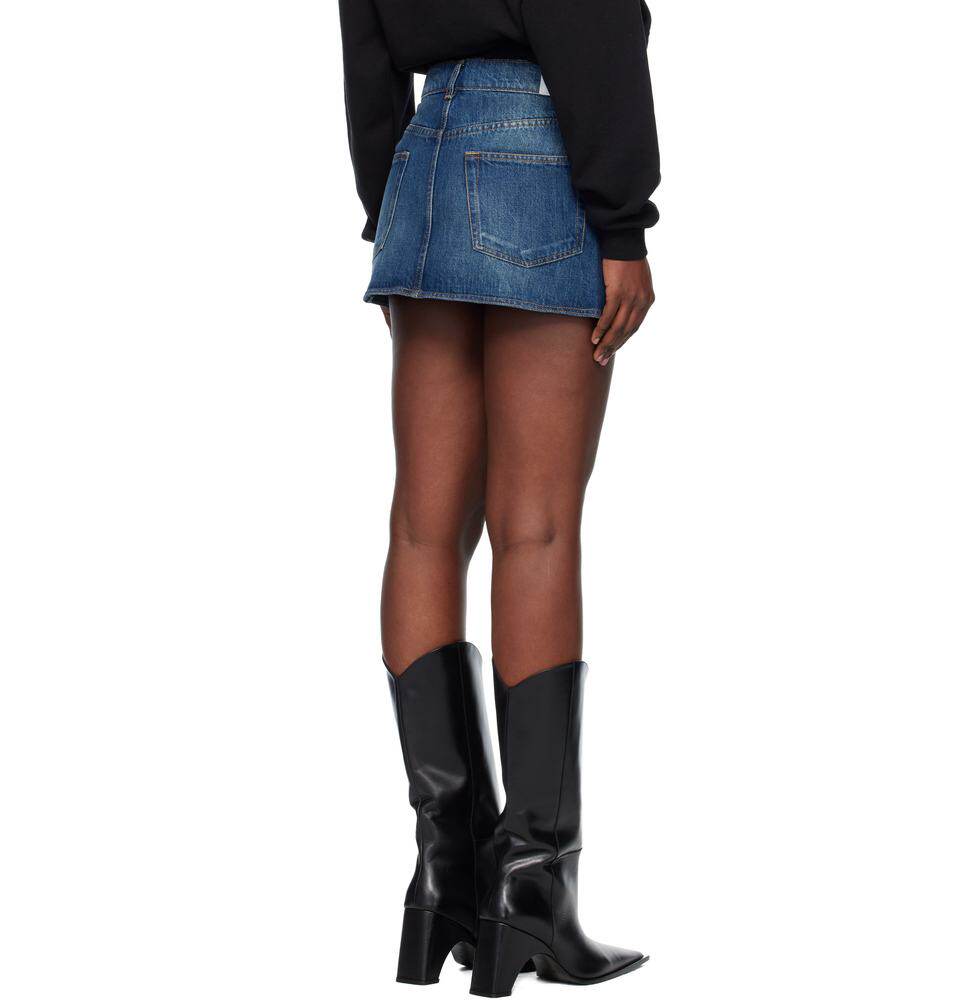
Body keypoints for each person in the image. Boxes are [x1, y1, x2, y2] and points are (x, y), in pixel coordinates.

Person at [338, 1, 659, 993]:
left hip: (418, 172)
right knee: (537, 528)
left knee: (423, 529)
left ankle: (445, 874)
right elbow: (590, 24)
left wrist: (392, 211)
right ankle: (532, 892)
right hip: (535, 158)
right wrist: (621, 221)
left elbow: (367, 56)